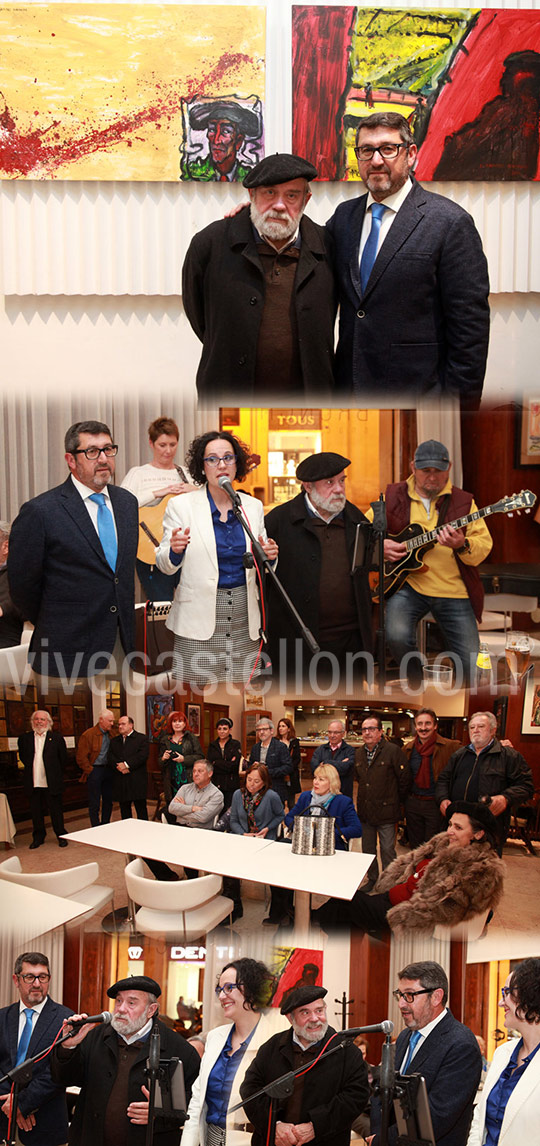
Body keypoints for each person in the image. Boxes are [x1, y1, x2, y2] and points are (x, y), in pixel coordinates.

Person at [327, 111, 490, 406]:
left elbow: (470, 332)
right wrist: (251, 221)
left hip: (418, 398)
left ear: (411, 154)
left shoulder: (450, 223)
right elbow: (304, 253)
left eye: (388, 149)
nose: (376, 160)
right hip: (349, 395)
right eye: (366, 150)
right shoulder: (343, 218)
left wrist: (457, 412)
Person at [182, 152, 336, 402]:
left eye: (292, 195)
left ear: (305, 200)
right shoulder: (210, 244)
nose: (279, 205)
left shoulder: (329, 247)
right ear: (251, 195)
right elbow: (200, 317)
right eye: (269, 193)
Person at [8, 420, 138, 680]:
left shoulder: (127, 503)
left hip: (122, 646)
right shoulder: (41, 511)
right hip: (66, 650)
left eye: (108, 449)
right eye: (92, 451)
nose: (103, 458)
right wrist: (55, 618)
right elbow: (22, 587)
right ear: (71, 460)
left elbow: (120, 575)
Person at [155, 431, 277, 687]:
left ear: (237, 464)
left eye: (228, 458)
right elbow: (164, 564)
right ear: (202, 466)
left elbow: (261, 556)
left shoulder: (252, 506)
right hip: (197, 618)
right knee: (195, 689)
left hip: (244, 615)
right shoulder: (182, 506)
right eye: (212, 459)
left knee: (242, 689)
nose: (221, 465)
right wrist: (175, 550)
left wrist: (269, 555)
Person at [379, 439, 493, 685]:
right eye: (425, 470)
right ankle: (417, 682)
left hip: (454, 590)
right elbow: (366, 533)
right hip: (408, 585)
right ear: (413, 467)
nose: (432, 477)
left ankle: (461, 702)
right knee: (396, 635)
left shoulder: (465, 503)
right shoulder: (392, 496)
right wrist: (381, 547)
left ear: (449, 468)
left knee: (471, 665)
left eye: (438, 471)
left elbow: (484, 546)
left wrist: (461, 545)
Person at [314, 801, 504, 937]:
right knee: (342, 906)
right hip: (393, 897)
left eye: (458, 828)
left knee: (345, 905)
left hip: (405, 915)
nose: (450, 832)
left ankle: (308, 922)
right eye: (449, 824)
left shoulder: (481, 868)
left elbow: (454, 908)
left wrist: (407, 914)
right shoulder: (444, 844)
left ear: (478, 834)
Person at [50, 975, 200, 1146]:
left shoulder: (179, 1050)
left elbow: (195, 1105)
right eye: (119, 1001)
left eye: (131, 1003)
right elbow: (63, 1079)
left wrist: (160, 1114)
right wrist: (68, 1047)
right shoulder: (94, 1037)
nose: (121, 1009)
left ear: (151, 1010)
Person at [264, 452, 373, 684]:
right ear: (308, 486)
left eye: (342, 481)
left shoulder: (357, 520)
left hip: (349, 643)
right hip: (297, 645)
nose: (339, 489)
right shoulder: (278, 521)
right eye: (330, 483)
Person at [240, 985, 369, 1146]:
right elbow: (250, 1089)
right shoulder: (272, 1047)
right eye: (305, 1012)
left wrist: (316, 1126)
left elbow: (356, 1096)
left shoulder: (346, 1050)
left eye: (319, 1010)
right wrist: (274, 1126)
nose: (315, 1018)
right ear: (290, 1018)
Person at [370, 962, 482, 1146]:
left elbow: (436, 1116)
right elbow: (383, 1091)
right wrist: (377, 1133)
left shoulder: (461, 1044)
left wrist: (382, 1140)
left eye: (409, 996)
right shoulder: (406, 1035)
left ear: (436, 997)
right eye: (399, 995)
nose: (401, 1004)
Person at [183, 958, 282, 1146]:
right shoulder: (214, 1038)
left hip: (252, 1139)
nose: (221, 996)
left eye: (229, 988)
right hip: (210, 1137)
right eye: (220, 990)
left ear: (252, 989)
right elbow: (197, 1102)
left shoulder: (275, 1040)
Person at [0, 951, 74, 1146]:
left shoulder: (65, 1019)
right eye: (29, 977)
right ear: (16, 980)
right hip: (2, 1121)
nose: (36, 983)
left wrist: (22, 1105)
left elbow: (59, 1073)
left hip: (45, 1127)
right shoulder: (2, 1018)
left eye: (43, 977)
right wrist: (12, 1106)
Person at [467, 957, 540, 1146]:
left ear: (531, 995)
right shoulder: (502, 1053)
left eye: (506, 992)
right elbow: (479, 1118)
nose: (500, 1002)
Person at [436, 710, 534, 849]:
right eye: (472, 727)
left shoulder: (509, 756)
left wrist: (506, 798)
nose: (475, 730)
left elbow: (526, 786)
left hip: (488, 828)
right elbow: (443, 780)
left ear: (493, 730)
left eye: (481, 726)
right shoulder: (459, 755)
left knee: (482, 867)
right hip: (457, 827)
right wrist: (442, 798)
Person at [121, 416, 194, 601]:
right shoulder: (138, 474)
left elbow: (206, 505)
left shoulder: (186, 474)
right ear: (151, 443)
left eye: (172, 444)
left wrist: (195, 490)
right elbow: (121, 505)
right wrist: (160, 492)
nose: (168, 451)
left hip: (187, 551)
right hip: (151, 549)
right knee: (162, 608)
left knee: (189, 606)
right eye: (162, 445)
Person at [355, 713, 411, 888]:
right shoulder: (359, 753)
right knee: (368, 851)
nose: (367, 733)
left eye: (371, 729)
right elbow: (359, 779)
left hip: (387, 811)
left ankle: (389, 883)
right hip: (366, 811)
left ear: (380, 731)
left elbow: (404, 779)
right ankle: (372, 879)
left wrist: (396, 802)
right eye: (364, 729)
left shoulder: (393, 751)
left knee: (387, 850)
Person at [229, 764, 285, 924]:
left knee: (277, 871)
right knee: (228, 867)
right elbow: (233, 820)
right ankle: (235, 907)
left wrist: (267, 828)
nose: (251, 784)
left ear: (264, 783)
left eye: (256, 781)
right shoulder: (237, 795)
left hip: (264, 840)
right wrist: (243, 834)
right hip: (242, 838)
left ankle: (278, 912)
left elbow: (280, 815)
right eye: (249, 780)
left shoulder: (271, 796)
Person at [403, 708, 462, 847]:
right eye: (420, 724)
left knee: (435, 848)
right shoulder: (407, 749)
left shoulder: (451, 747)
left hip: (436, 805)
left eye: (427, 723)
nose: (423, 728)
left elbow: (474, 752)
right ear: (415, 726)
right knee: (415, 847)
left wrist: (501, 745)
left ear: (435, 725)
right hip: (413, 804)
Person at [17, 709, 69, 849]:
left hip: (52, 782)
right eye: (37, 719)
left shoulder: (57, 738)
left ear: (49, 722)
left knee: (56, 811)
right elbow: (24, 758)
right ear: (32, 722)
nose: (39, 722)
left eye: (42, 719)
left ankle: (61, 835)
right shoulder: (25, 739)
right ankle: (38, 837)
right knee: (36, 812)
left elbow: (63, 759)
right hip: (33, 782)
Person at [285, 764, 362, 851]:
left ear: (332, 783)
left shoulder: (343, 802)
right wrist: (303, 829)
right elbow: (289, 818)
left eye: (321, 779)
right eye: (315, 778)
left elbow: (356, 829)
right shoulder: (306, 797)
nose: (316, 782)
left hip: (331, 849)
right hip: (304, 846)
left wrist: (327, 832)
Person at [181, 98, 261, 182]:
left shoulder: (250, 176)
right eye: (212, 130)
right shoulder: (192, 173)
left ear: (239, 141)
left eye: (226, 131)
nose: (216, 141)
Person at [76, 709, 116, 827]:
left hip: (108, 770)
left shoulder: (112, 734)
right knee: (94, 801)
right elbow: (81, 757)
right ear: (101, 720)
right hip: (95, 770)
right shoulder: (88, 735)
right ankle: (95, 826)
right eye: (110, 721)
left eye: (113, 721)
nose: (112, 723)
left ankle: (105, 824)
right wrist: (90, 770)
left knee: (108, 800)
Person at [158, 709, 204, 806]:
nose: (177, 724)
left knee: (188, 804)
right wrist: (163, 758)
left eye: (180, 721)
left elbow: (200, 757)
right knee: (173, 805)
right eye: (174, 721)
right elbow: (159, 762)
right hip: (170, 777)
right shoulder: (165, 740)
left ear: (184, 724)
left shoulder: (191, 738)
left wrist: (184, 759)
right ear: (171, 724)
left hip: (188, 776)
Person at [107, 715, 149, 820]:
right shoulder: (114, 741)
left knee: (141, 810)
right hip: (121, 780)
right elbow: (110, 756)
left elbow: (142, 756)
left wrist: (126, 765)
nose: (120, 726)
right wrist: (120, 766)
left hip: (137, 780)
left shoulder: (141, 738)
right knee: (124, 810)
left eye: (123, 724)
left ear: (131, 725)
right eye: (119, 724)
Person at [248, 719, 291, 805]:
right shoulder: (255, 748)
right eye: (259, 730)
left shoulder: (280, 747)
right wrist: (253, 767)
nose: (261, 732)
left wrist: (266, 771)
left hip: (275, 788)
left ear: (271, 731)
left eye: (264, 729)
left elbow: (288, 767)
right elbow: (250, 765)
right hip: (258, 790)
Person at [309, 719, 356, 798]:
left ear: (343, 733)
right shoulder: (320, 749)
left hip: (342, 794)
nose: (332, 735)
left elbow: (346, 768)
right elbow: (314, 768)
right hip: (321, 796)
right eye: (330, 732)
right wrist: (339, 764)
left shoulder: (350, 750)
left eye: (336, 732)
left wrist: (325, 763)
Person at [206, 717, 244, 812]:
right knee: (216, 809)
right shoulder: (213, 745)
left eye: (225, 729)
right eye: (219, 729)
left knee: (229, 810)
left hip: (231, 783)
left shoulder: (235, 744)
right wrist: (226, 764)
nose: (222, 731)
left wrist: (217, 762)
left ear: (230, 730)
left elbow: (234, 765)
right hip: (216, 782)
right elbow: (210, 765)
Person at [0, 520, 24, 648]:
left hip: (6, 638)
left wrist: (4, 607)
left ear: (5, 547)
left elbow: (24, 605)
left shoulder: (18, 573)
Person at [276, 717, 302, 807]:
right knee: (279, 803)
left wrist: (288, 768)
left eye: (283, 726)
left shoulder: (294, 742)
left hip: (291, 775)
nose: (280, 728)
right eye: (279, 726)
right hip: (279, 775)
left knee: (291, 802)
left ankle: (291, 821)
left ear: (289, 728)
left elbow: (297, 759)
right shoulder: (275, 741)